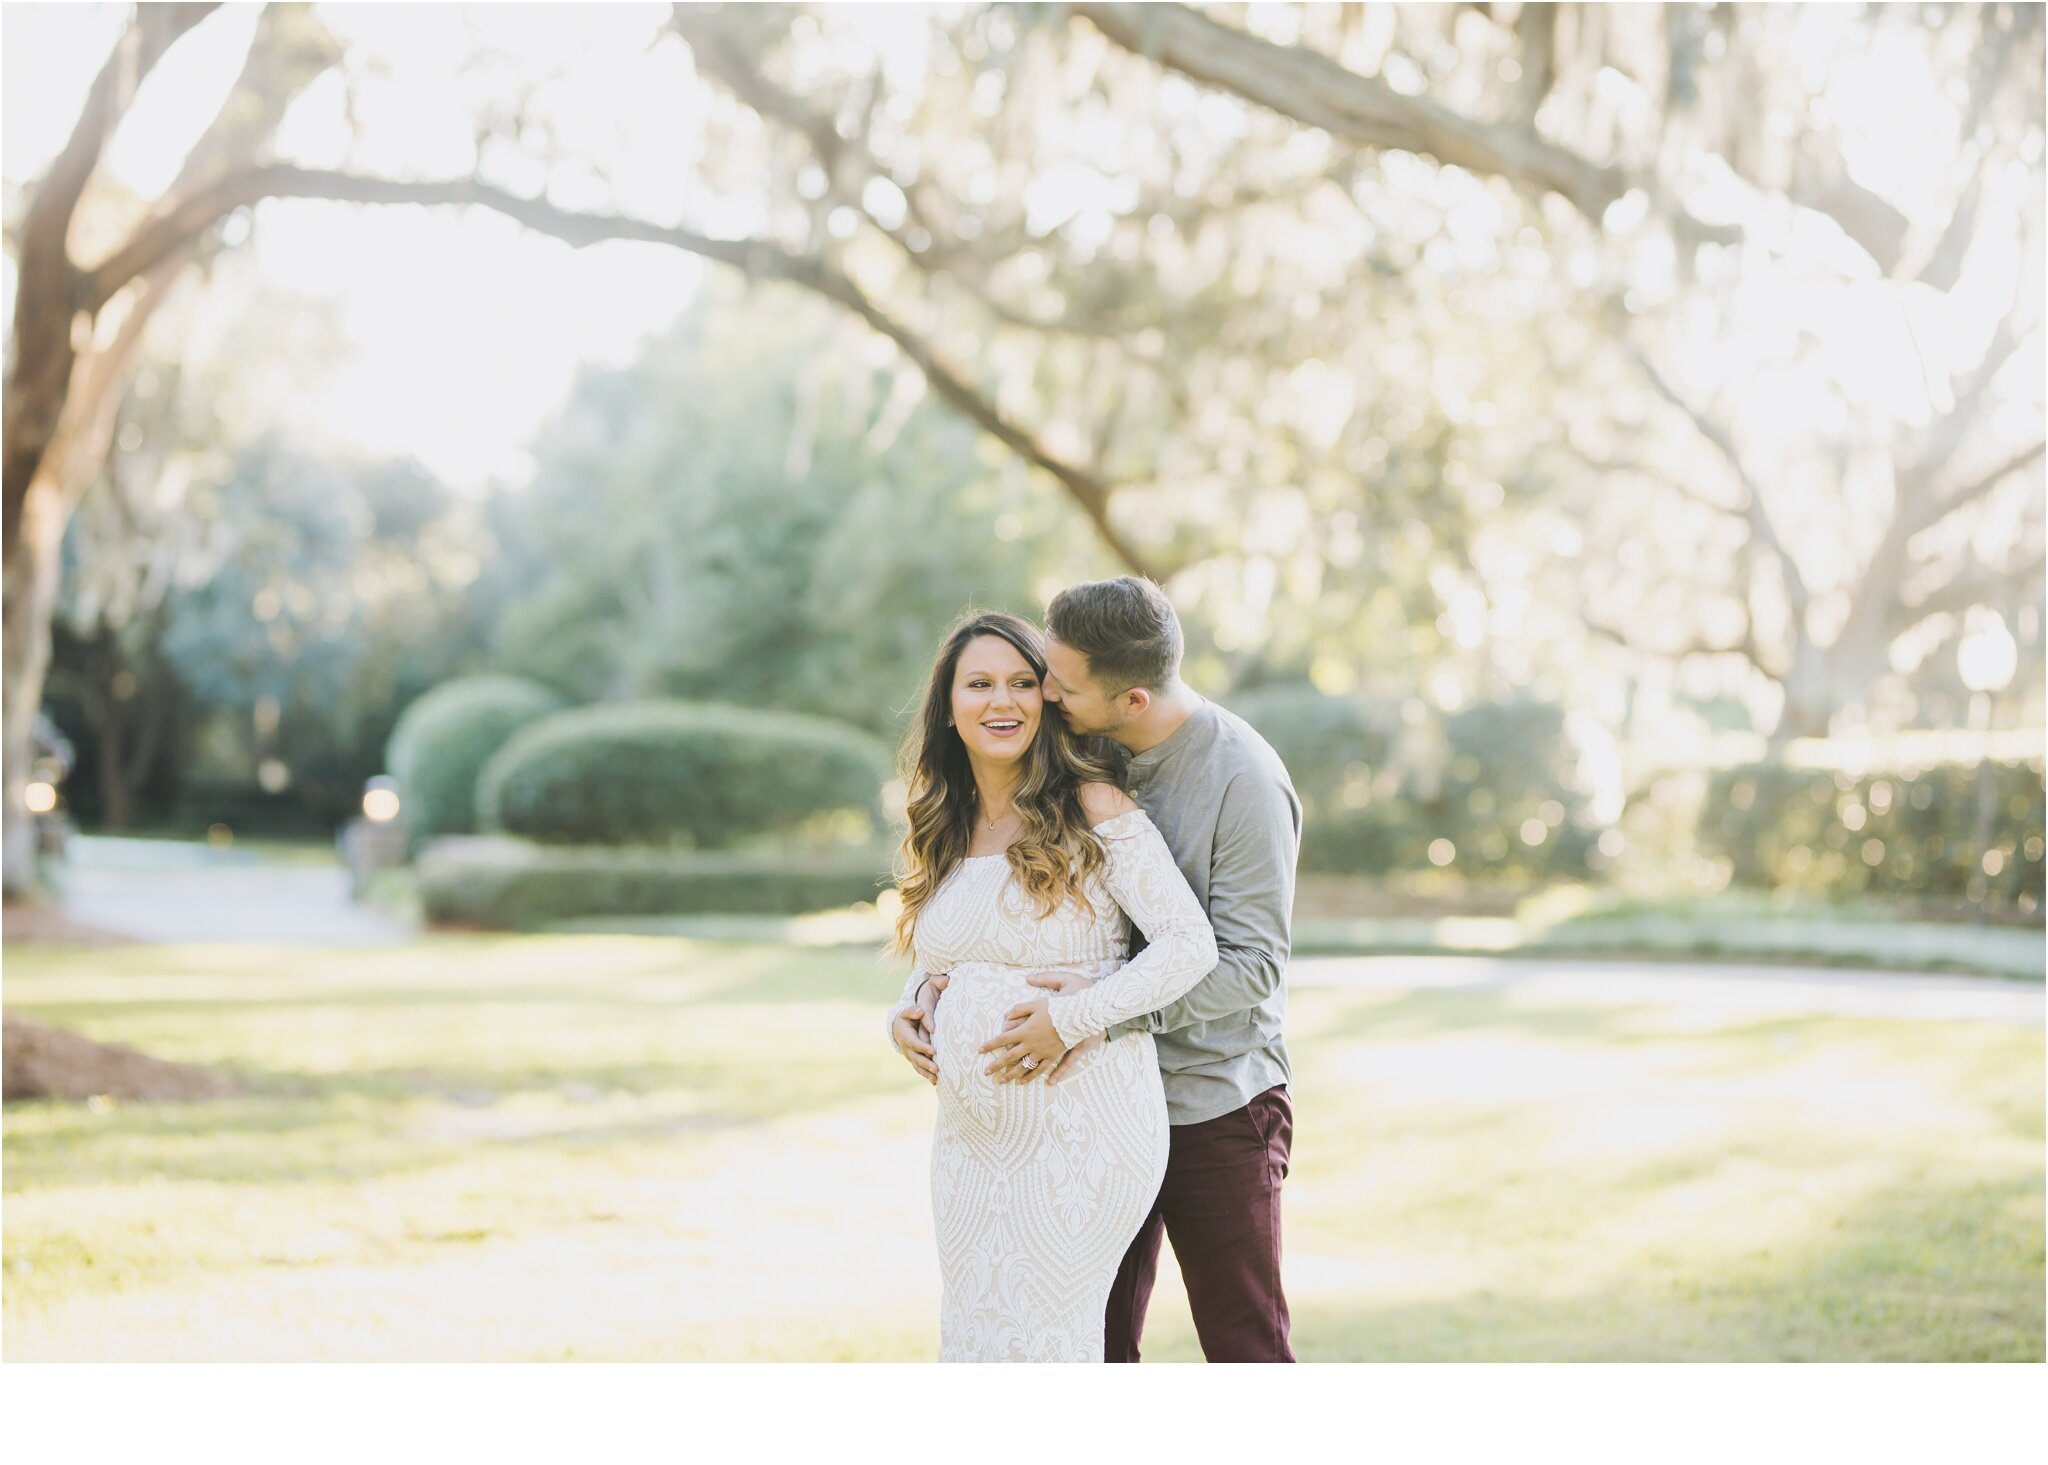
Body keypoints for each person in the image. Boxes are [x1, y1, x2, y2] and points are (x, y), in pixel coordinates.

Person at [903, 576, 1302, 1363]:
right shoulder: (1084, 751)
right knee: (1097, 1345)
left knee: (1243, 1343)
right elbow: (997, 927)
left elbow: (1251, 966)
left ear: (1133, 700)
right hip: (1071, 1116)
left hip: (1211, 1100)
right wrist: (921, 1001)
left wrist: (1099, 1012)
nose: (1043, 693)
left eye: (1056, 681)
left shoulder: (1242, 778)